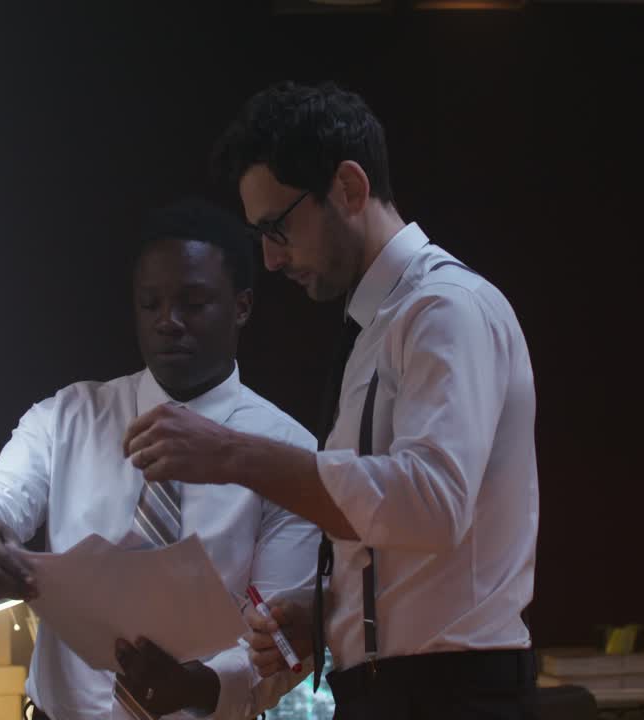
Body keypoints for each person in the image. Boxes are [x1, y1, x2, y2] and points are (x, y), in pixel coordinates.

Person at [122, 82, 540, 719]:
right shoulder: (378, 323)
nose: (269, 256)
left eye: (278, 228)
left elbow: (432, 502)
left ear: (348, 188)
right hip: (393, 689)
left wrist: (230, 453)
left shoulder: (444, 308)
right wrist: (328, 608)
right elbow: (400, 537)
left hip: (455, 692)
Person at [0, 197, 319, 720]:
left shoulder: (290, 457)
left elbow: (280, 642)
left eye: (194, 303)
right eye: (150, 303)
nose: (168, 322)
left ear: (243, 306)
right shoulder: (71, 416)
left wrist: (197, 686)